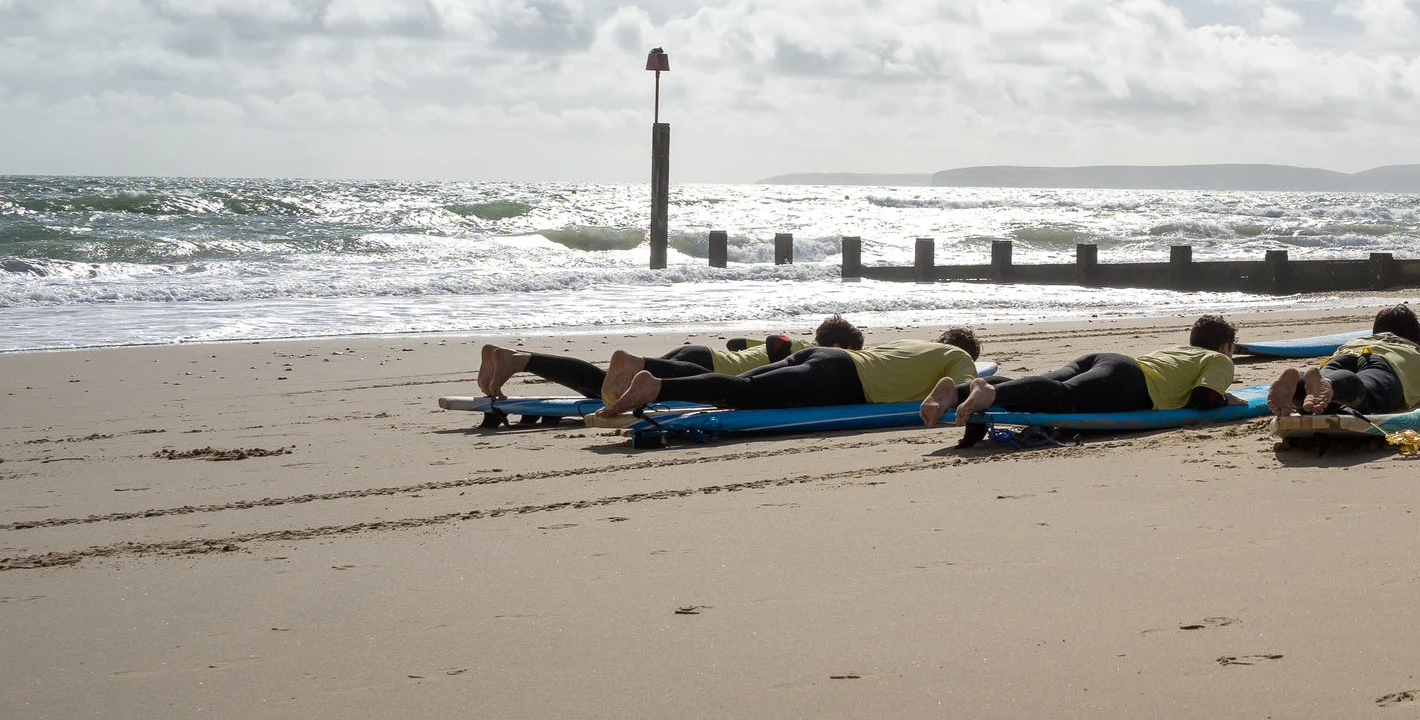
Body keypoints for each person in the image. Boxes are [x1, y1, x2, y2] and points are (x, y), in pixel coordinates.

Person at [591, 327, 982, 421]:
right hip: (842, 379)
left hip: (822, 355)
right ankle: (656, 387)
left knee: (745, 383)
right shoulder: (959, 357)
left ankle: (653, 377)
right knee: (745, 393)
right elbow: (964, 387)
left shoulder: (914, 343)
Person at [945, 315, 1240, 433]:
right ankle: (990, 393)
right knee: (1064, 398)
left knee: (1049, 384)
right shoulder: (1219, 359)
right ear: (1226, 346)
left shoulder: (1180, 350)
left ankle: (955, 393)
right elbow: (1203, 398)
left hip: (1108, 361)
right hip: (1130, 381)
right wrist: (1226, 399)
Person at [476, 317, 862, 401]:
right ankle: (519, 361)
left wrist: (750, 353)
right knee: (607, 387)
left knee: (604, 385)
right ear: (837, 346)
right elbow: (776, 343)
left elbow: (735, 341)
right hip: (701, 368)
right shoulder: (805, 349)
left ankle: (518, 359)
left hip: (699, 354)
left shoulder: (796, 343)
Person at [1267, 304, 1420, 417]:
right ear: (1418, 340)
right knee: (1365, 391)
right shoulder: (1419, 356)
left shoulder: (1355, 340)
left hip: (1344, 354)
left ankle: (1300, 383)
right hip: (1386, 364)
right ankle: (1328, 385)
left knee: (1316, 396)